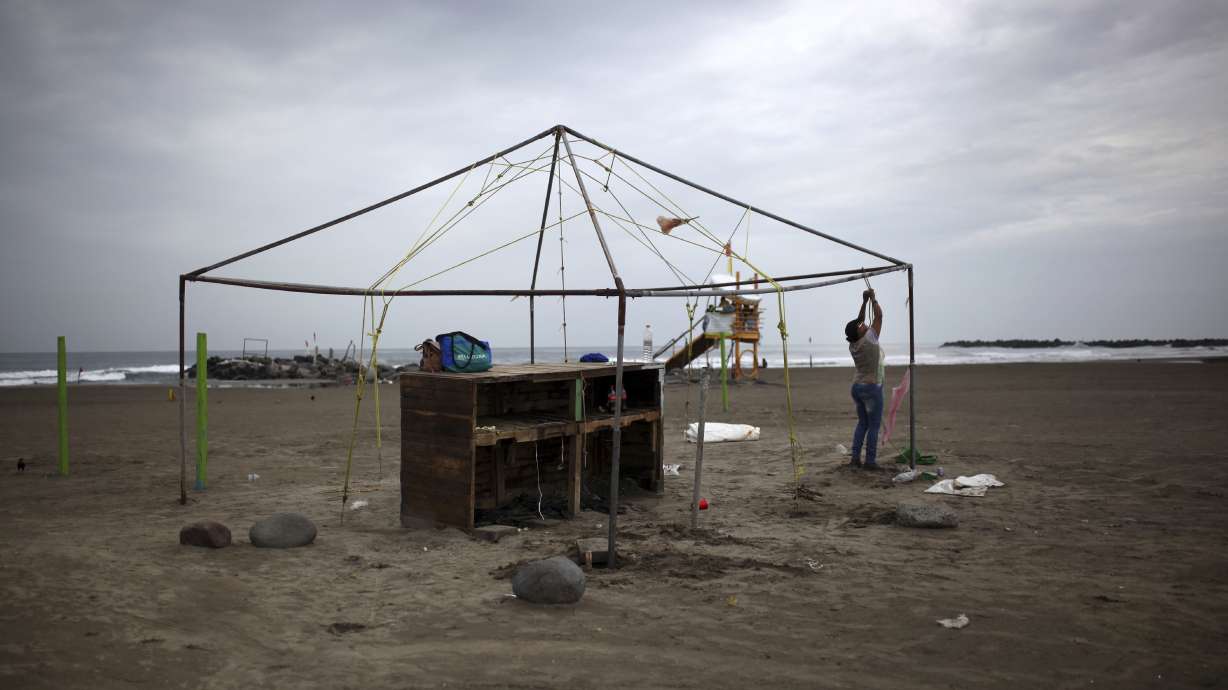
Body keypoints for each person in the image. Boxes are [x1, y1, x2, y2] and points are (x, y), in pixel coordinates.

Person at [845, 288, 884, 469]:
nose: (863, 324)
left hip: (857, 387)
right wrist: (874, 299)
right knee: (874, 425)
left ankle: (855, 458)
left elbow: (858, 322)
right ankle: (870, 461)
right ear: (859, 332)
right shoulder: (870, 338)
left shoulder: (853, 344)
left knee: (863, 423)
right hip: (870, 388)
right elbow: (879, 316)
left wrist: (864, 301)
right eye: (861, 326)